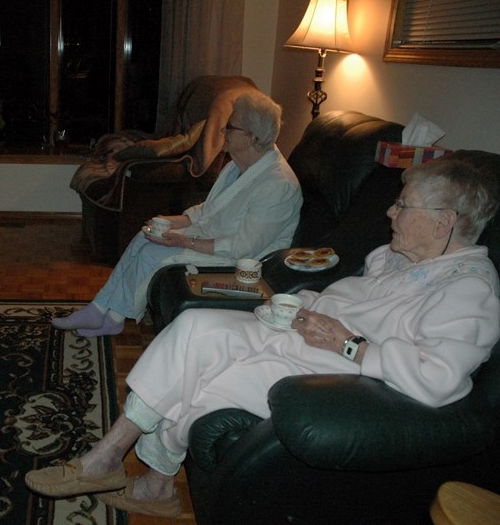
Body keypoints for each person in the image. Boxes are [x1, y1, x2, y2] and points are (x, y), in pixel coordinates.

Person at [26, 157, 500, 518]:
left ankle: (147, 482)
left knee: (208, 384)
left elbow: (439, 379)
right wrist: (305, 303)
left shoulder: (469, 289)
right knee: (193, 326)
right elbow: (352, 300)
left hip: (340, 370)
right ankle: (113, 456)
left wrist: (349, 345)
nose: (390, 211)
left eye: (404, 204)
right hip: (302, 334)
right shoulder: (398, 255)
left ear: (445, 221)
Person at [52, 91, 302, 337]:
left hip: (241, 258)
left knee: (153, 252)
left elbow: (243, 247)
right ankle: (98, 308)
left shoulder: (277, 185)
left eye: (230, 127)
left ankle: (115, 317)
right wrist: (174, 221)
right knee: (145, 236)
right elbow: (209, 209)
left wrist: (182, 240)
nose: (223, 131)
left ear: (250, 136)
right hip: (215, 236)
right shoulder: (237, 165)